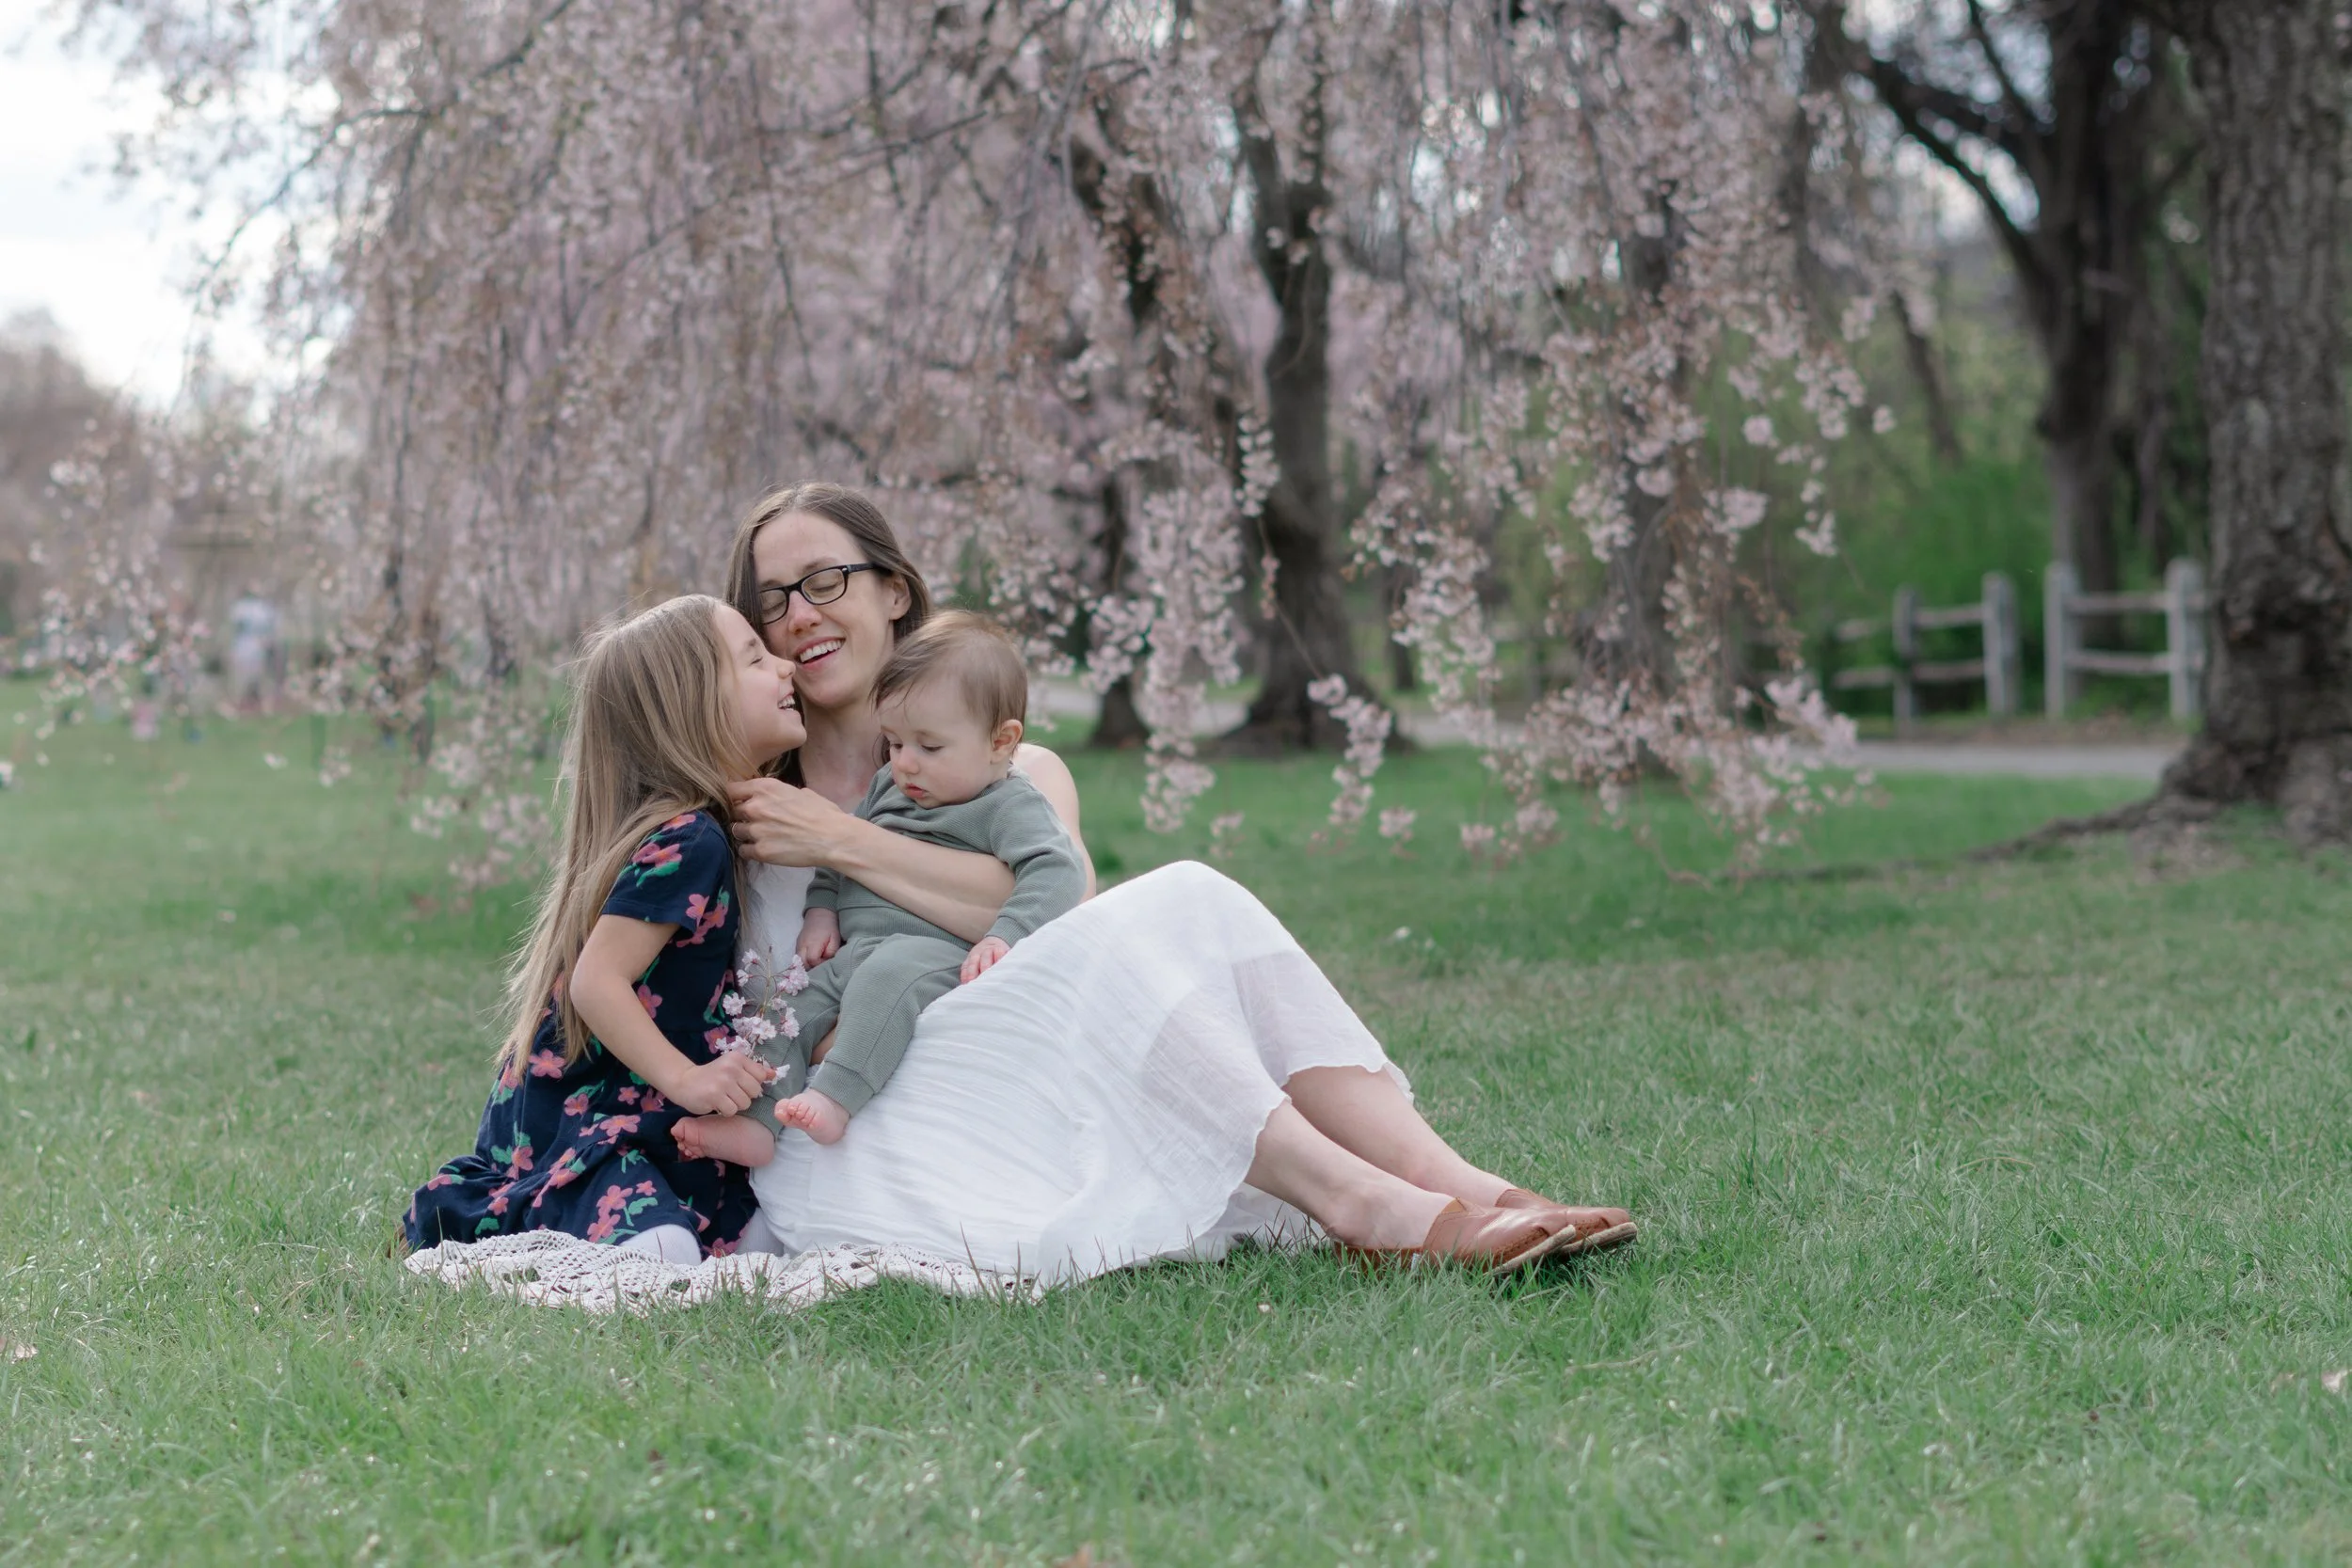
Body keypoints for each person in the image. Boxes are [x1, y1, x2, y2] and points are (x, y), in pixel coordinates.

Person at [715, 483, 1638, 1282]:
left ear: (893, 591)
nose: (800, 613)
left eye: (824, 581)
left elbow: (1059, 928)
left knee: (1190, 892)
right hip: (863, 1108)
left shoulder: (1015, 773)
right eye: (772, 601)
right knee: (1172, 898)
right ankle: (1363, 1204)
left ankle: (1459, 1184)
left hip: (1030, 1060)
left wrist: (843, 839)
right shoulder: (743, 809)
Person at [402, 594, 798, 1264]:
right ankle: (515, 1211)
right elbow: (596, 981)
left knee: (758, 1242)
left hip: (636, 1111)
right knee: (665, 1254)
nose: (785, 667)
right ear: (696, 706)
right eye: (756, 658)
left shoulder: (699, 829)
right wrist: (692, 1081)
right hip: (583, 1121)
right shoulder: (690, 838)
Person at [675, 610, 1085, 1160]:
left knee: (888, 980)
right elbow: (836, 857)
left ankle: (837, 1099)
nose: (906, 764)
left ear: (1001, 741)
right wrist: (822, 913)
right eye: (893, 742)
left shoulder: (1008, 802)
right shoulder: (893, 784)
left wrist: (1004, 935)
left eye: (929, 747)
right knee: (788, 1006)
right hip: (861, 948)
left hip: (934, 952)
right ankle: (756, 1123)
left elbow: (1057, 872)